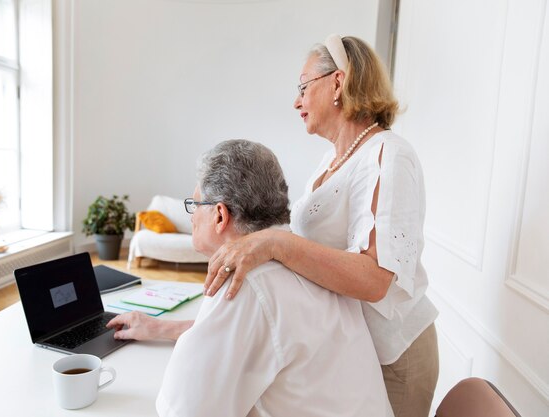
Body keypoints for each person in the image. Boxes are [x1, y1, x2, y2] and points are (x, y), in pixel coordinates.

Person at [202, 35, 439, 417]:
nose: (296, 101)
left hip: (393, 356)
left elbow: (377, 278)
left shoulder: (389, 154)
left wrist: (276, 244)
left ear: (338, 82)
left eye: (302, 86)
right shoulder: (331, 162)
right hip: (348, 347)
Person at [107, 139, 393, 417]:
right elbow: (256, 337)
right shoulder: (316, 263)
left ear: (220, 215)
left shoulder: (245, 282)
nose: (192, 217)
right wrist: (160, 329)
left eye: (195, 204)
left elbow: (186, 409)